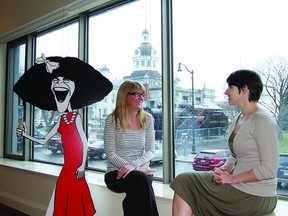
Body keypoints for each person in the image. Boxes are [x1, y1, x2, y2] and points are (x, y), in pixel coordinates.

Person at [170, 69, 279, 216]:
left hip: (255, 194)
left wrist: (232, 179)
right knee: (183, 180)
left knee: (186, 183)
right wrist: (226, 167)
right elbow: (236, 153)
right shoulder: (240, 118)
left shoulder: (263, 121)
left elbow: (269, 168)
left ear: (244, 89)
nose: (226, 92)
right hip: (238, 184)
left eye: (231, 87)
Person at [14, 54, 113, 216]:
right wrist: (26, 135)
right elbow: (44, 139)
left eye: (65, 80)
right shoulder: (61, 120)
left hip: (76, 167)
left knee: (76, 198)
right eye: (56, 80)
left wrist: (82, 165)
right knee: (63, 196)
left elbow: (84, 142)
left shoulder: (76, 117)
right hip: (67, 167)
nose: (59, 83)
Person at [104, 80, 159, 216]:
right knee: (141, 181)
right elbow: (110, 154)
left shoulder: (148, 119)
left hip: (141, 170)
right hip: (116, 173)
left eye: (143, 94)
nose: (141, 98)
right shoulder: (112, 120)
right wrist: (134, 168)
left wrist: (134, 166)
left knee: (136, 194)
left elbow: (151, 150)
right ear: (124, 96)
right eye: (136, 94)